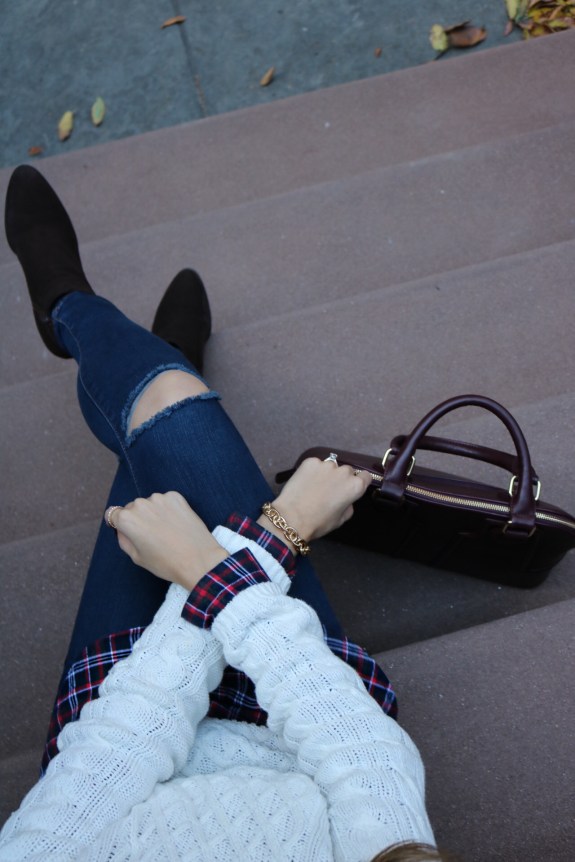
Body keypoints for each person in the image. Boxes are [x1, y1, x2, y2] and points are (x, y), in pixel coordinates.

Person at [0, 166, 442, 861]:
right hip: (298, 698)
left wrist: (245, 553)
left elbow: (112, 750)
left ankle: (70, 307)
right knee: (172, 419)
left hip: (119, 720)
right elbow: (362, 753)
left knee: (164, 424)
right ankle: (147, 351)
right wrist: (243, 560)